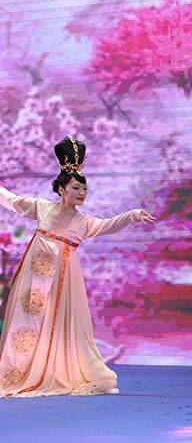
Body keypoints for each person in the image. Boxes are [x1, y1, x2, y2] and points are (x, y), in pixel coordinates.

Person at [0, 136, 155, 397]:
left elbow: (108, 225)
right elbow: (13, 201)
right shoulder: (42, 208)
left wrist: (132, 215)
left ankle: (53, 370)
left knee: (60, 323)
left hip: (63, 281)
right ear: (62, 190)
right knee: (27, 321)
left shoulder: (83, 223)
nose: (81, 193)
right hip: (35, 276)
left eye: (84, 189)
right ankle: (18, 371)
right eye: (76, 188)